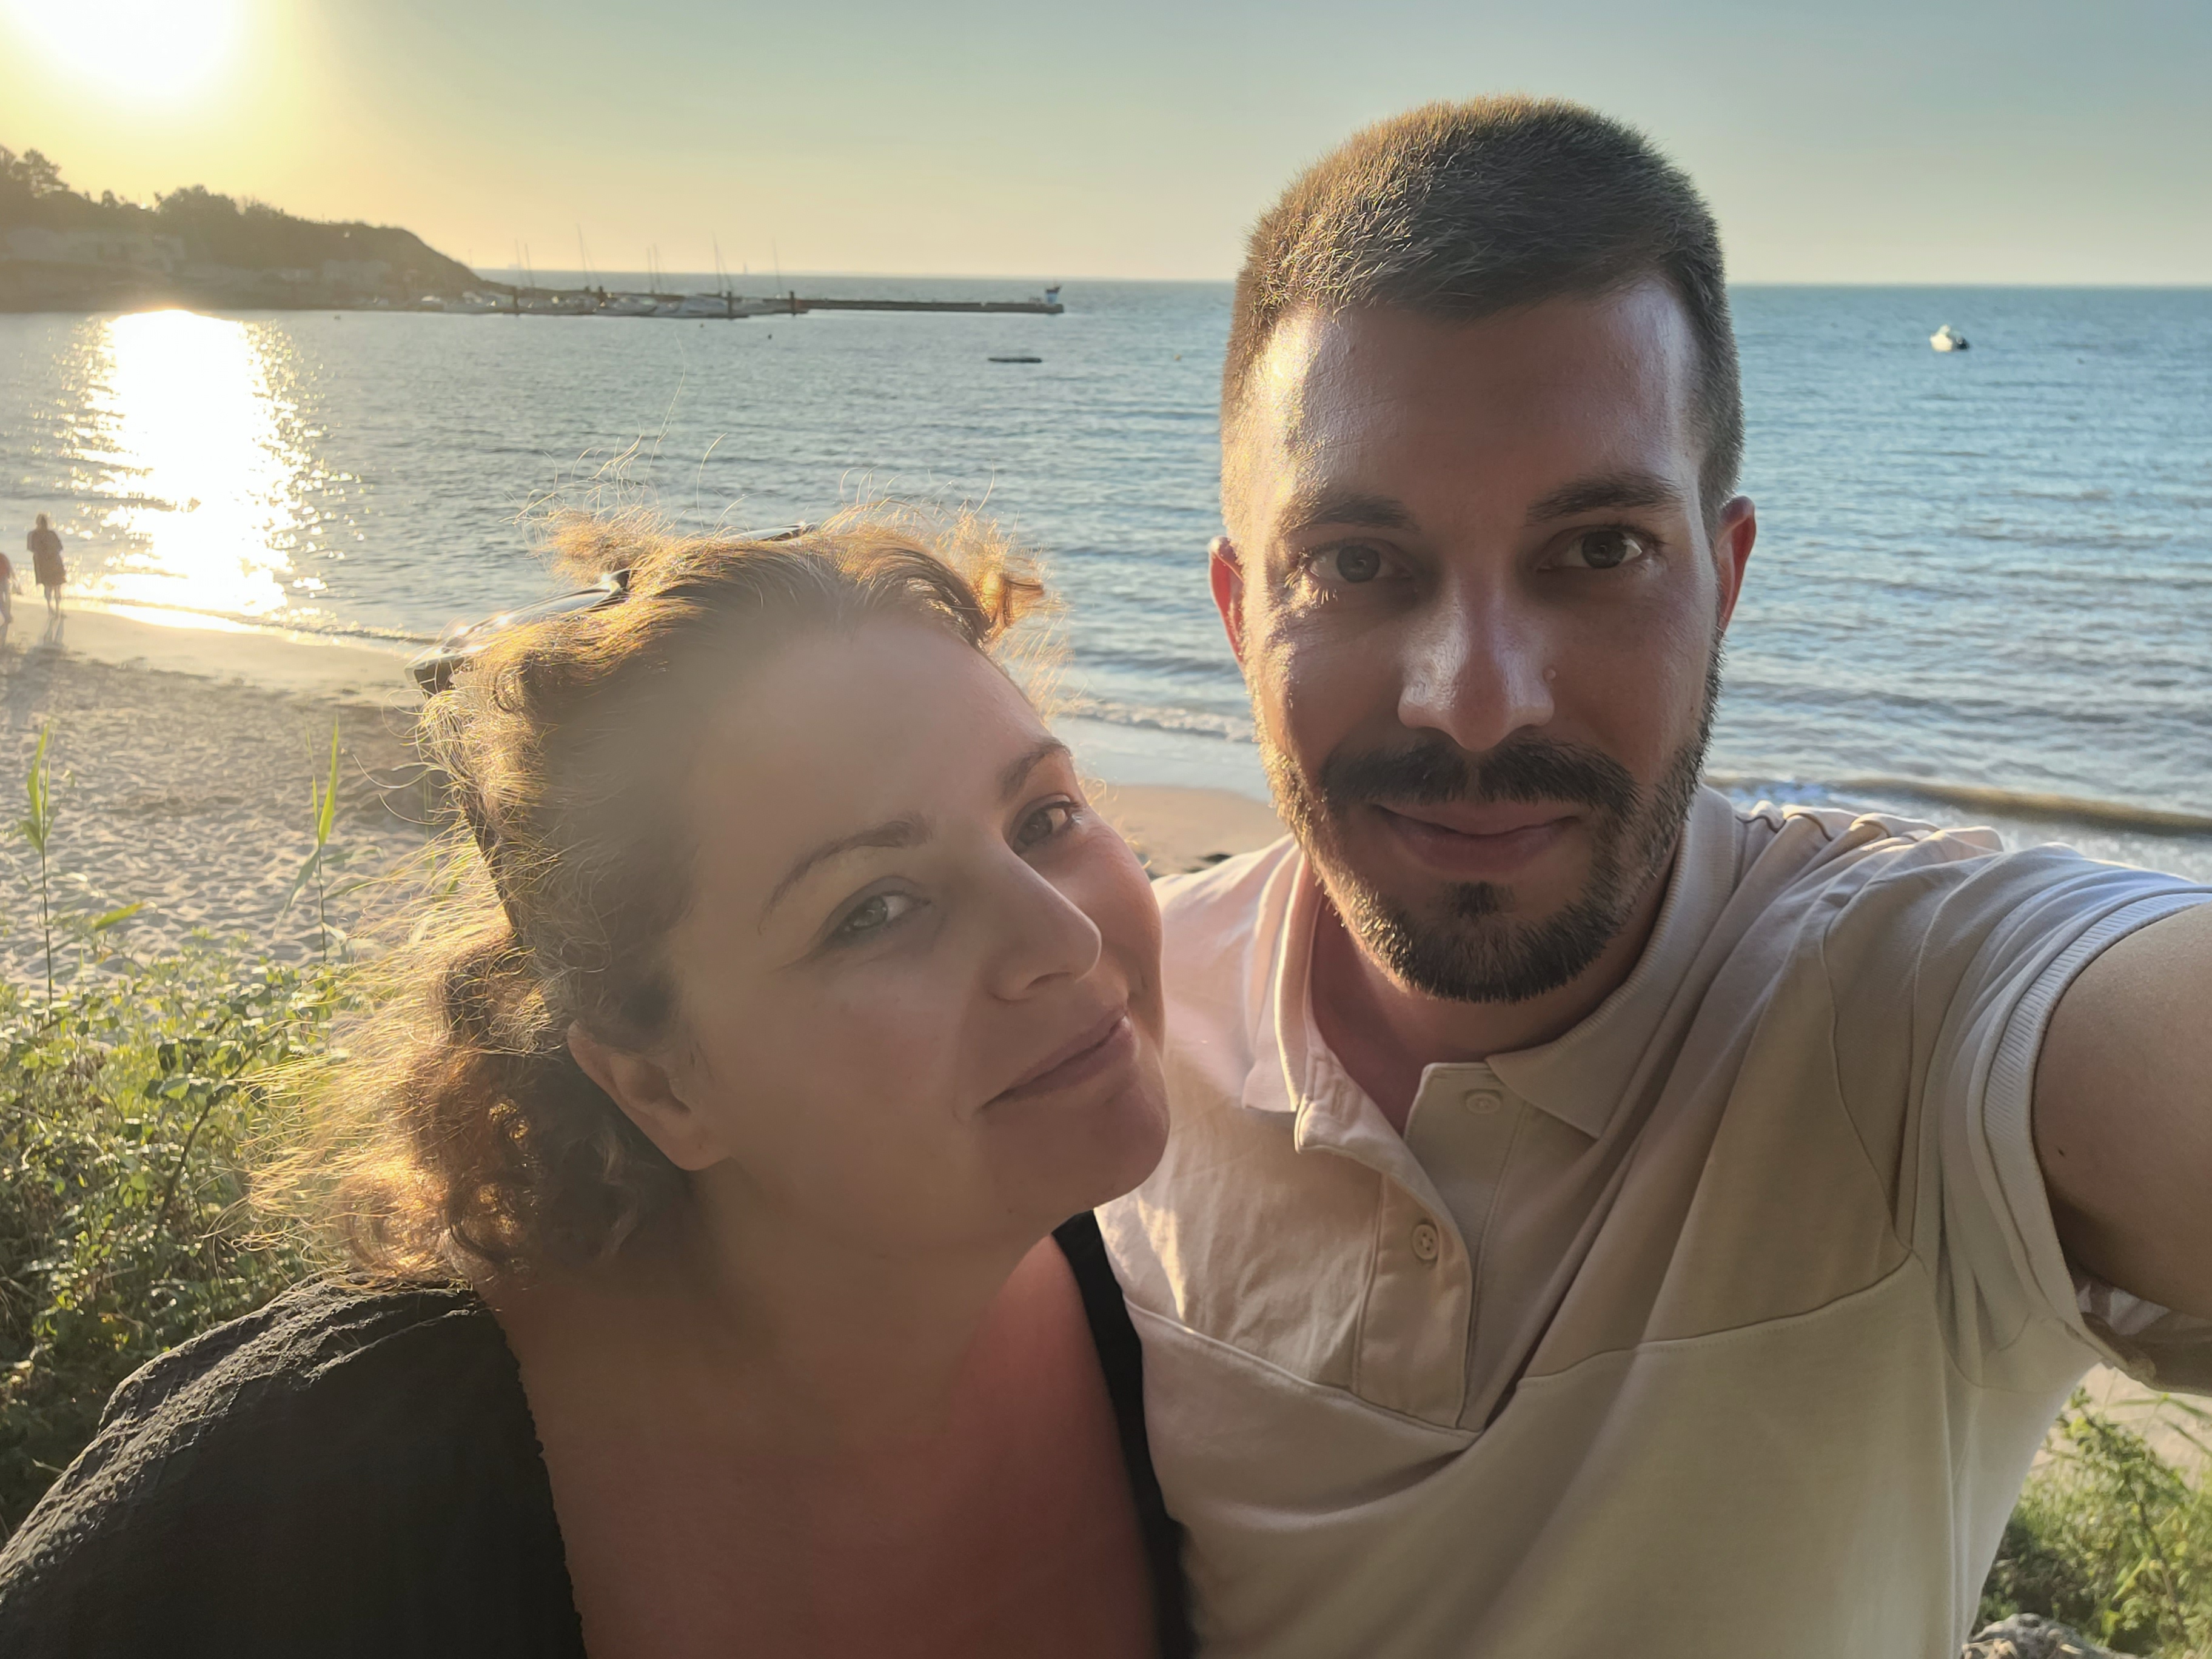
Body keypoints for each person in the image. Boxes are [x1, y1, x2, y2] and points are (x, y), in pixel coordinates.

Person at [1098, 98, 2212, 1655]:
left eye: (1600, 550)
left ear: (1725, 580)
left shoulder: (1910, 1009)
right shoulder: (1106, 1040)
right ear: (1238, 611)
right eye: (1355, 562)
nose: (1477, 703)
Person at [0, 510, 1193, 1658]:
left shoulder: (1188, 1300)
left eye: (1044, 818)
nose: (1067, 938)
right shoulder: (312, 1491)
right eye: (874, 911)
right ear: (660, 1084)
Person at [25, 513, 64, 614]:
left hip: (44, 562)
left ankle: (52, 608)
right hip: (52, 561)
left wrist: (43, 552)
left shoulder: (33, 535)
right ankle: (55, 608)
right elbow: (60, 547)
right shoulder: (50, 534)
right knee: (55, 586)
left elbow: (31, 548)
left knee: (50, 586)